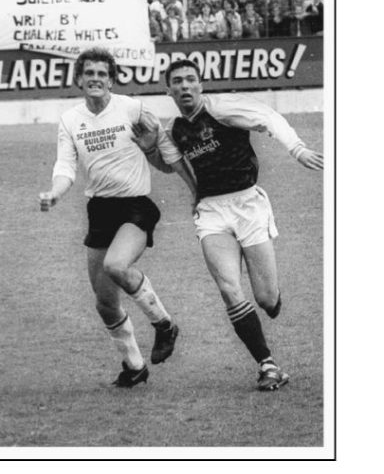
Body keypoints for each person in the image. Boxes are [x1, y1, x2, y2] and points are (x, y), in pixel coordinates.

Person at [163, 59, 323, 390]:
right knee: (228, 288)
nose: (184, 86)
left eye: (191, 79)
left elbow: (268, 117)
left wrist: (296, 148)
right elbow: (172, 163)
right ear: (169, 90)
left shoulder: (223, 108)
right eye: (177, 81)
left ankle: (272, 297)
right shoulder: (173, 128)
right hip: (211, 211)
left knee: (265, 299)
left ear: (201, 85)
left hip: (248, 204)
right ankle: (268, 365)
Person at [38, 48, 193, 387]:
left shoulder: (132, 108)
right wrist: (55, 192)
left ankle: (164, 324)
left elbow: (165, 148)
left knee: (116, 265)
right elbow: (65, 165)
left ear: (111, 79)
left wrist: (194, 190)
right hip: (100, 211)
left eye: (102, 73)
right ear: (79, 79)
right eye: (89, 73)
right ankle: (134, 366)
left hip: (136, 206)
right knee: (105, 303)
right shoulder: (70, 120)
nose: (95, 78)